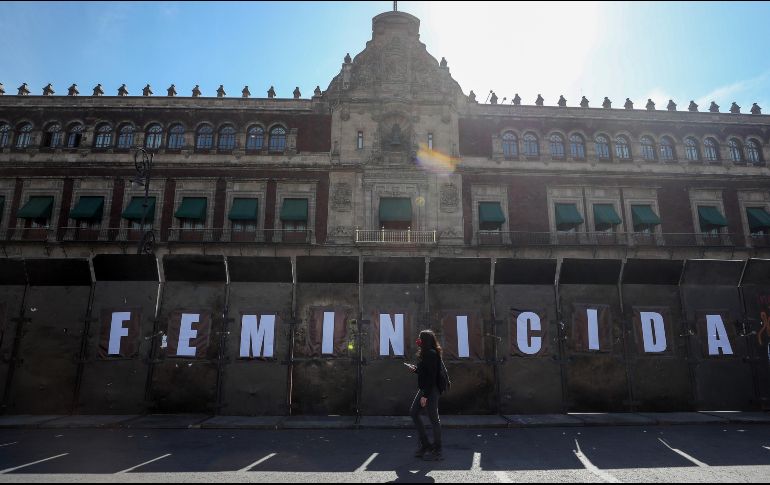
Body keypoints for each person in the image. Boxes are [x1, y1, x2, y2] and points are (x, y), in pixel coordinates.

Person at [405, 329, 443, 461]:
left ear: (425, 340)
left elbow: (432, 377)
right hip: (425, 389)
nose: (418, 340)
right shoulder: (426, 353)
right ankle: (426, 444)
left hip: (430, 390)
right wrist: (415, 369)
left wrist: (425, 396)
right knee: (414, 413)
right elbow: (425, 372)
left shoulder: (431, 354)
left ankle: (437, 449)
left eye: (420, 338)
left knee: (434, 419)